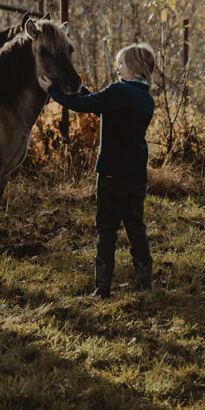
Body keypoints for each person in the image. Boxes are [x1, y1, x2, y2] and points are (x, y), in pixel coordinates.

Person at [38, 42, 155, 298]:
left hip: (112, 173)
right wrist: (81, 89)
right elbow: (99, 103)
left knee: (106, 229)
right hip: (136, 174)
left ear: (133, 66)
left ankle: (102, 288)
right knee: (136, 227)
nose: (116, 68)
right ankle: (145, 284)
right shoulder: (146, 98)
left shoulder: (118, 92)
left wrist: (53, 91)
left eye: (121, 64)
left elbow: (85, 105)